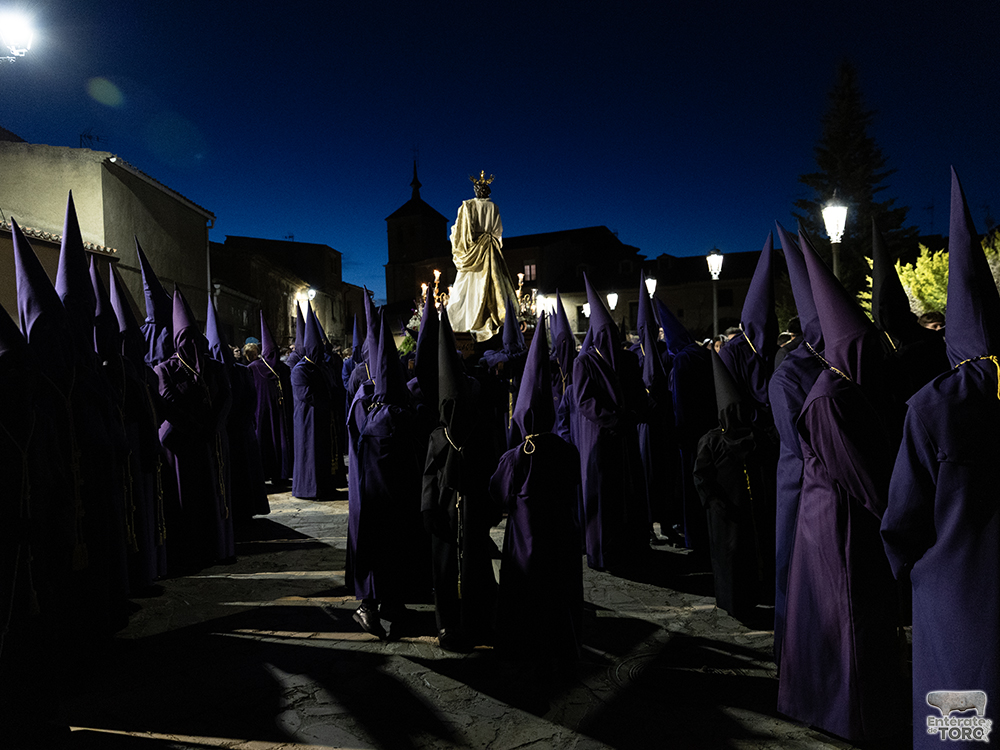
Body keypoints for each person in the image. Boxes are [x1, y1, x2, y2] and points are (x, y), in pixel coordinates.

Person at [882, 170, 1000, 750]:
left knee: (960, 724)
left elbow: (904, 518)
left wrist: (914, 577)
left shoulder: (936, 403)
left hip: (955, 593)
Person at [446, 172, 518, 342]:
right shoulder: (494, 207)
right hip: (491, 248)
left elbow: (461, 233)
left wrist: (459, 237)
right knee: (495, 285)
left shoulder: (467, 206)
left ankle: (469, 322)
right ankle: (493, 318)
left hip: (474, 248)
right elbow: (498, 232)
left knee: (470, 285)